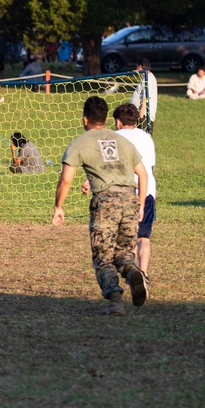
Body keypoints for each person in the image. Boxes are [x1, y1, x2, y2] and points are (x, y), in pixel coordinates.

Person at [53, 96, 148, 316]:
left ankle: (116, 303)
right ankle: (133, 272)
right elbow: (142, 173)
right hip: (130, 199)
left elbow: (66, 179)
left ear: (85, 119)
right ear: (106, 118)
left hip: (106, 201)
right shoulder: (123, 141)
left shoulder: (80, 142)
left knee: (103, 257)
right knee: (123, 253)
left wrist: (59, 206)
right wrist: (141, 204)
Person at [112, 103, 157, 280]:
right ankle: (143, 274)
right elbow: (149, 166)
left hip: (123, 191)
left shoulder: (114, 137)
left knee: (125, 239)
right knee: (143, 237)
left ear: (118, 121)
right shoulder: (147, 137)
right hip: (146, 191)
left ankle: (132, 273)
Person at [130, 58, 158, 134]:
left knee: (143, 137)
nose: (136, 69)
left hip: (144, 115)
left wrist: (141, 112)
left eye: (137, 67)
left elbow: (146, 96)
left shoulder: (148, 78)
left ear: (140, 66)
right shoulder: (147, 77)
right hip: (141, 114)